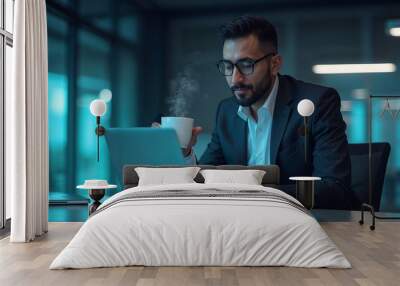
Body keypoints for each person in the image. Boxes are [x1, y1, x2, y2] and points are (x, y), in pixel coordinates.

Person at [175, 16, 351, 209]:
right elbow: (205, 179)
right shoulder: (227, 111)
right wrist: (185, 153)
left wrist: (253, 194)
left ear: (275, 64)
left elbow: (334, 188)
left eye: (246, 65)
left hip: (300, 223)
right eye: (228, 66)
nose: (235, 79)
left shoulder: (318, 103)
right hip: (240, 224)